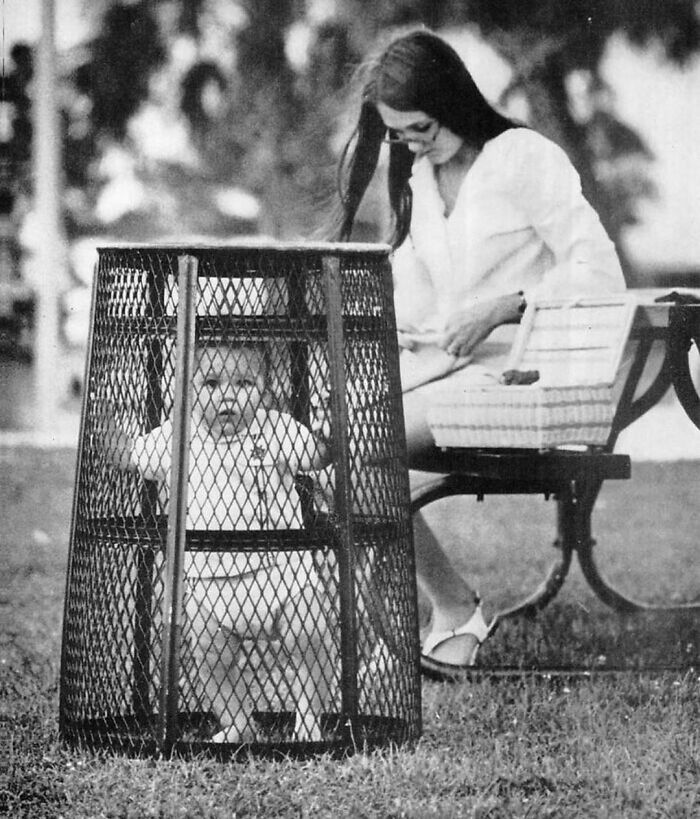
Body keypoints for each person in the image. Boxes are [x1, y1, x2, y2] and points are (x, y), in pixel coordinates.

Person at [335, 28, 626, 679]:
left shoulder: (521, 157)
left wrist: (507, 303)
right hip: (451, 377)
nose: (413, 143)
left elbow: (601, 272)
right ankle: (419, 617)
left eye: (421, 127)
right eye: (399, 134)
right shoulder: (421, 179)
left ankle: (453, 608)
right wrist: (404, 326)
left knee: (359, 448)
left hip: (528, 383)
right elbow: (423, 302)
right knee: (326, 443)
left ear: (454, 98)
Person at [104, 339, 333, 741]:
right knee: (211, 656)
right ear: (189, 390)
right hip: (210, 583)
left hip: (281, 573)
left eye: (244, 383)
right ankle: (238, 723)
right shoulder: (179, 436)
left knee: (308, 635)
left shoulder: (276, 427)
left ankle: (309, 723)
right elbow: (130, 456)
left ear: (264, 390)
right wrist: (103, 421)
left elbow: (315, 455)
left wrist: (330, 433)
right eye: (211, 383)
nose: (227, 394)